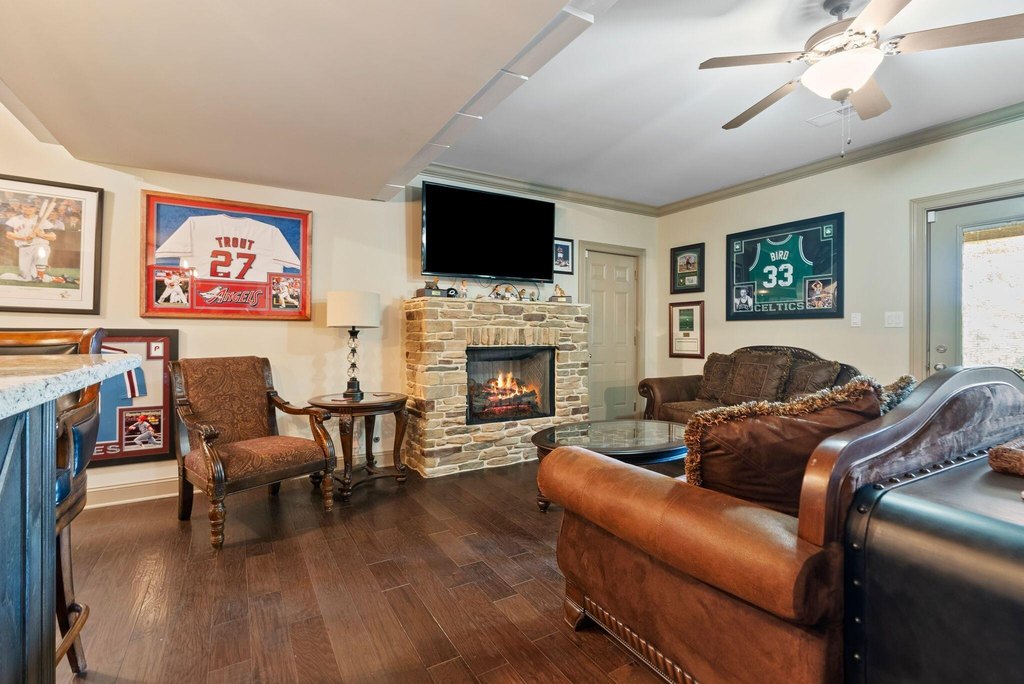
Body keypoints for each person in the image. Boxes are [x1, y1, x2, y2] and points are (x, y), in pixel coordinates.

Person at [4, 198, 58, 281]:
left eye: (31, 207)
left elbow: (53, 237)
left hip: (39, 245)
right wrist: (25, 238)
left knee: (42, 249)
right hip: (24, 248)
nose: (28, 208)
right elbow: (8, 235)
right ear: (21, 207)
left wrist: (40, 234)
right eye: (25, 206)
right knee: (26, 278)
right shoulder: (14, 220)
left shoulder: (43, 220)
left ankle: (40, 277)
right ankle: (55, 279)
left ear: (35, 209)